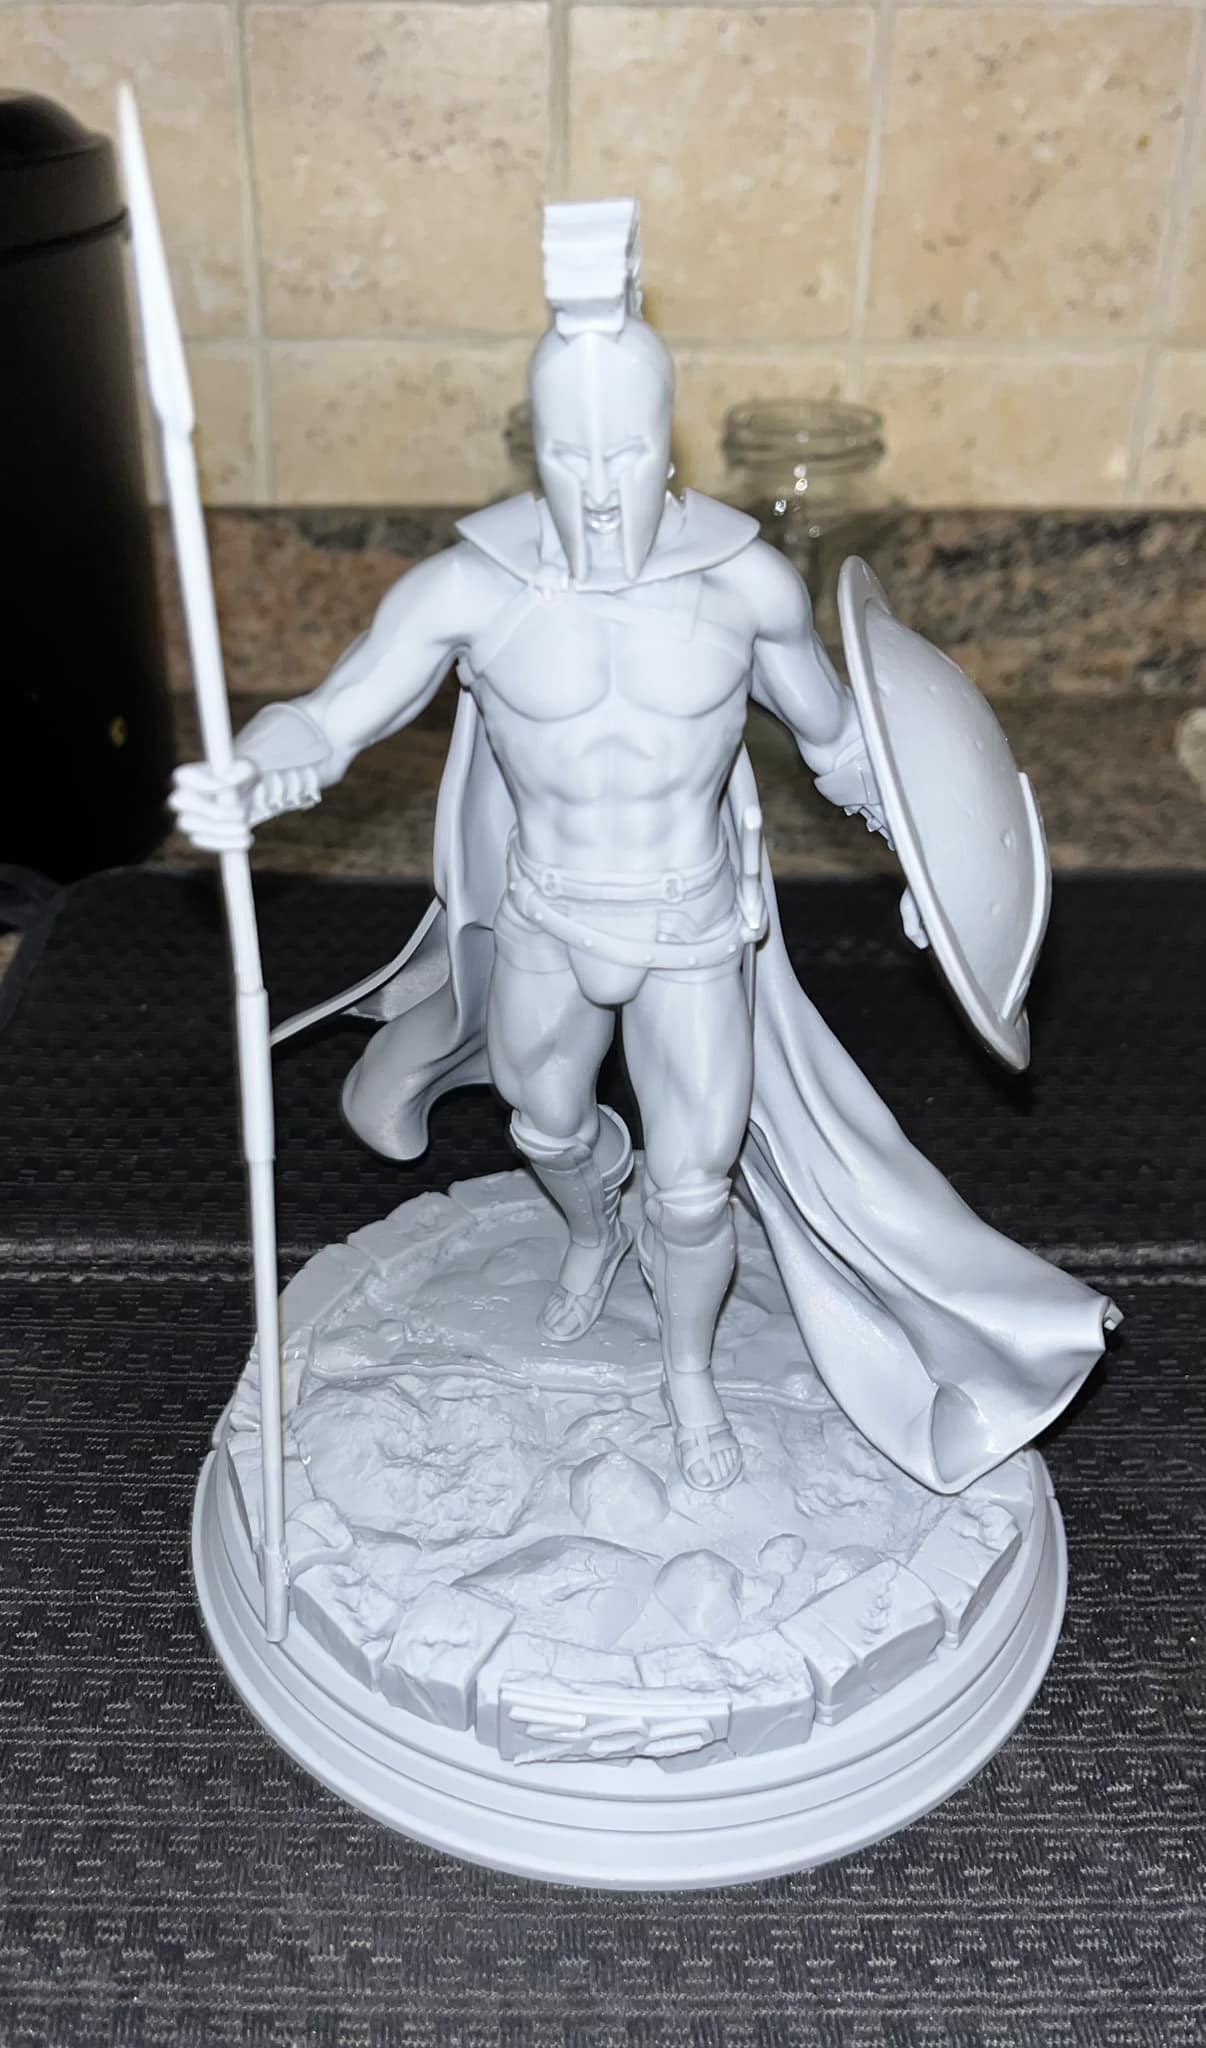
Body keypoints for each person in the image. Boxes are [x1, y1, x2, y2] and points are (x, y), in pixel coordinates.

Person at [174, 200, 1115, 1500]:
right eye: (572, 456)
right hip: (549, 915)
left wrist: (928, 858)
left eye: (626, 453)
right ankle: (585, 1227)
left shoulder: (746, 588)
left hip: (690, 927)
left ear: (666, 446)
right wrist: (251, 771)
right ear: (536, 449)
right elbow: (333, 715)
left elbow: (843, 744)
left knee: (695, 1187)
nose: (601, 488)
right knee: (546, 1122)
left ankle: (686, 1376)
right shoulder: (470, 591)